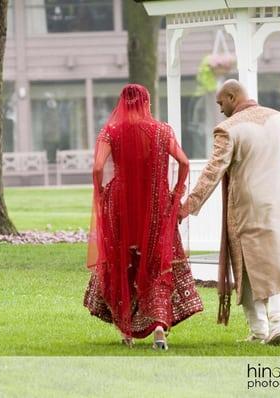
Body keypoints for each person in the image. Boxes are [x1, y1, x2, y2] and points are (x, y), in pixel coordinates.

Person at [179, 80, 280, 346]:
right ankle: (278, 322)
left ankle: (260, 329)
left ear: (233, 97)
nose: (220, 109)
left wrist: (187, 206)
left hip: (249, 209)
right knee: (277, 264)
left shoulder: (228, 129)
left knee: (246, 267)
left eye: (221, 102)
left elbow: (213, 172)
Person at [84, 84, 203, 350]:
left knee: (123, 262)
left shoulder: (110, 131)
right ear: (147, 102)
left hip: (120, 204)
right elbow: (184, 162)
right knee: (156, 263)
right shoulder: (162, 131)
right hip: (157, 203)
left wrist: (101, 192)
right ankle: (159, 329)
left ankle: (126, 331)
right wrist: (176, 193)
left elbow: (98, 167)